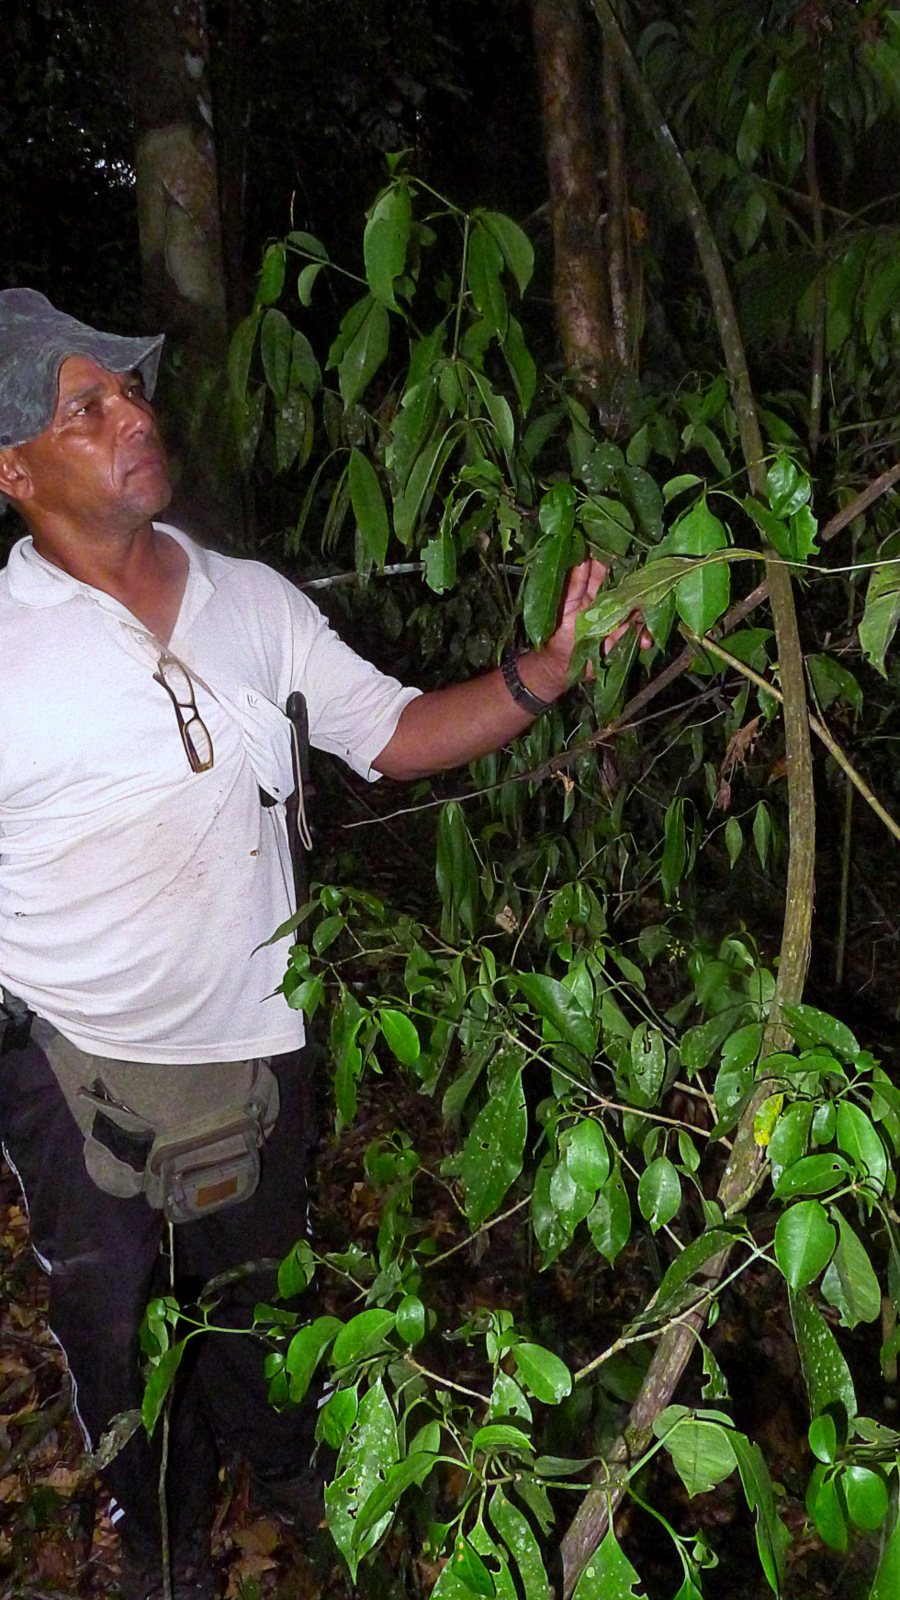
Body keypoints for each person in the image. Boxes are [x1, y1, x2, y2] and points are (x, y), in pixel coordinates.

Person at [0, 289, 643, 1599]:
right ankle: (165, 1536)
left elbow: (398, 733)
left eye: (130, 391)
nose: (134, 414)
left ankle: (283, 1461)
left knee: (258, 1294)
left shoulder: (247, 598)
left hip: (258, 1040)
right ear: (17, 471)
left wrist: (555, 670)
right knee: (115, 1336)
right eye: (89, 407)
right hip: (73, 1068)